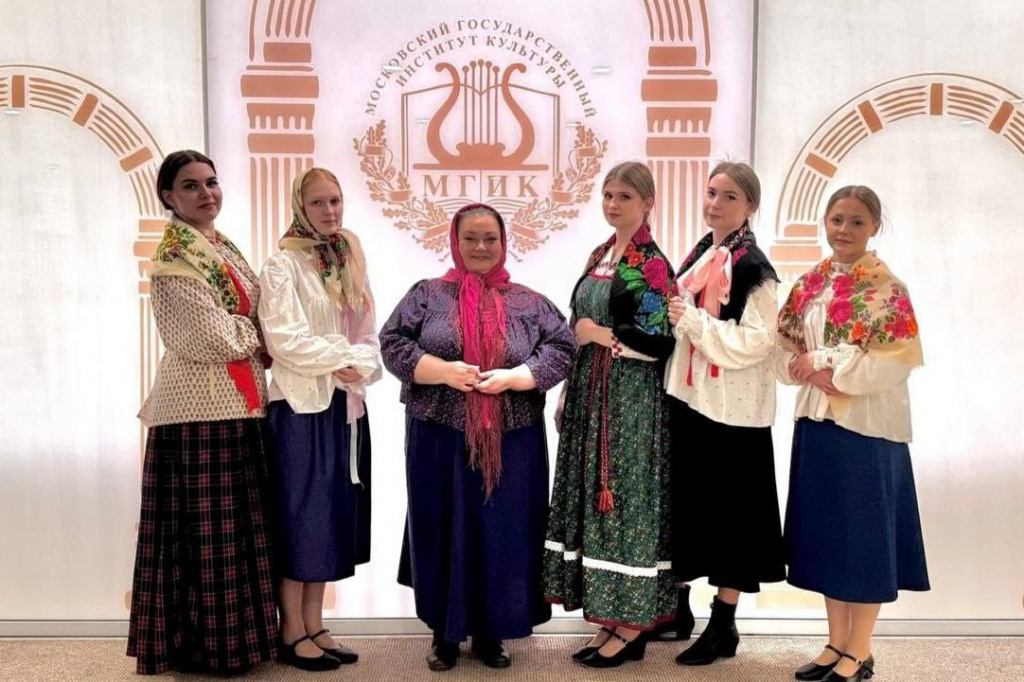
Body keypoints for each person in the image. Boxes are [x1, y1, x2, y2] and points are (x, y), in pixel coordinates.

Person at [380, 203, 574, 671]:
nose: (481, 247)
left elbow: (563, 347)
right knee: (441, 525)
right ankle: (443, 634)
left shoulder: (529, 301)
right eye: (470, 238)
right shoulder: (427, 295)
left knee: (502, 531)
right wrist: (442, 371)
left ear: (504, 243)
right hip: (438, 436)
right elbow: (392, 342)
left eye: (490, 238)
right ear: (455, 241)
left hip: (512, 439)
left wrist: (516, 377)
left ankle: (492, 631)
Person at [128, 150, 277, 675]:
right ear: (168, 197)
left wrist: (255, 329)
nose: (206, 193)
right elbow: (207, 337)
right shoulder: (175, 258)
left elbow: (248, 314)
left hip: (237, 407)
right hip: (197, 414)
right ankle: (206, 649)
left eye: (211, 182)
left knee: (236, 533)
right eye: (190, 186)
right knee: (208, 539)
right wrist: (259, 333)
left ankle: (239, 643)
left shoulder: (219, 245)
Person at [776, 185, 929, 682]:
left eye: (857, 221)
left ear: (874, 227)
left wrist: (826, 366)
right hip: (817, 425)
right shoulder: (808, 285)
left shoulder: (889, 290)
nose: (844, 230)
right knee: (830, 538)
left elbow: (894, 362)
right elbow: (782, 351)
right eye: (837, 219)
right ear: (825, 221)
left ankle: (859, 650)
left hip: (867, 431)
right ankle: (835, 643)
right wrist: (805, 368)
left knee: (863, 541)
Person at [543, 161, 677, 669]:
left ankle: (632, 623)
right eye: (608, 195)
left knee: (625, 498)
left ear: (648, 203)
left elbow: (661, 341)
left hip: (631, 397)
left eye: (624, 196)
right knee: (596, 499)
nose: (614, 204)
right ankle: (610, 618)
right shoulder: (600, 254)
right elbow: (575, 324)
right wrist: (567, 390)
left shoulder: (652, 264)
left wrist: (600, 336)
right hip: (591, 392)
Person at [258, 168, 380, 671]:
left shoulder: (347, 260)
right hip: (300, 409)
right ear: (299, 207)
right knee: (301, 518)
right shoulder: (281, 265)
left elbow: (369, 339)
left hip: (343, 407)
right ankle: (291, 629)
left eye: (335, 200)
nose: (329, 211)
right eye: (317, 203)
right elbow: (284, 340)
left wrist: (358, 363)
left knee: (328, 519)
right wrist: (341, 358)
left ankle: (315, 623)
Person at [665, 161, 785, 666]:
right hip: (693, 399)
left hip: (733, 410)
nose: (715, 203)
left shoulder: (754, 268)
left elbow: (758, 341)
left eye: (729, 196)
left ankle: (723, 624)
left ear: (750, 206)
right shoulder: (701, 254)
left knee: (733, 517)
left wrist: (694, 321)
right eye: (712, 192)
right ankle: (678, 609)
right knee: (694, 505)